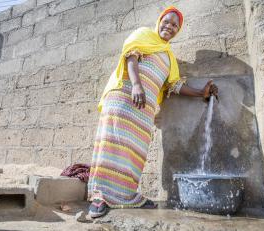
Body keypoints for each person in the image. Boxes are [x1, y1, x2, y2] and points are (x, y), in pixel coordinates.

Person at [87, 6, 218, 218]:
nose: (170, 26)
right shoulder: (144, 35)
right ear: (159, 21)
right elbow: (131, 56)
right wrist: (137, 85)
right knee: (112, 143)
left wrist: (200, 93)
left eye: (175, 25)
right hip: (124, 95)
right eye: (167, 21)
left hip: (144, 109)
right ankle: (99, 197)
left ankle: (126, 195)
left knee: (134, 151)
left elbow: (174, 85)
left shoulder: (169, 57)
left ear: (178, 30)